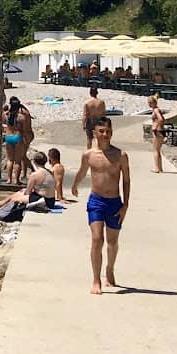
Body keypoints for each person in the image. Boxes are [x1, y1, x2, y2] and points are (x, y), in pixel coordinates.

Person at [71, 119, 131, 294]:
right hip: (96, 201)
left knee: (112, 242)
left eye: (108, 131)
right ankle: (96, 279)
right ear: (94, 133)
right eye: (102, 131)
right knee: (97, 239)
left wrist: (125, 205)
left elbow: (126, 180)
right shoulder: (89, 155)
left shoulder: (121, 155)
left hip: (114, 203)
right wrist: (75, 185)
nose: (105, 134)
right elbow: (82, 171)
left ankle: (109, 269)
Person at [1, 97, 33, 185]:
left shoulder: (5, 115)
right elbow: (25, 130)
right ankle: (17, 180)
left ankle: (9, 179)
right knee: (18, 161)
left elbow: (2, 125)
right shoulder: (21, 117)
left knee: (10, 160)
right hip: (18, 137)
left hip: (8, 137)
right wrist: (26, 139)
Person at [148, 94, 166, 174]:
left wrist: (156, 126)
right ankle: (160, 167)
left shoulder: (156, 110)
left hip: (158, 131)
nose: (149, 104)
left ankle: (157, 168)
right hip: (161, 130)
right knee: (158, 150)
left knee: (155, 150)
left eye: (150, 102)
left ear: (154, 102)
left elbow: (161, 119)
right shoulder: (157, 110)